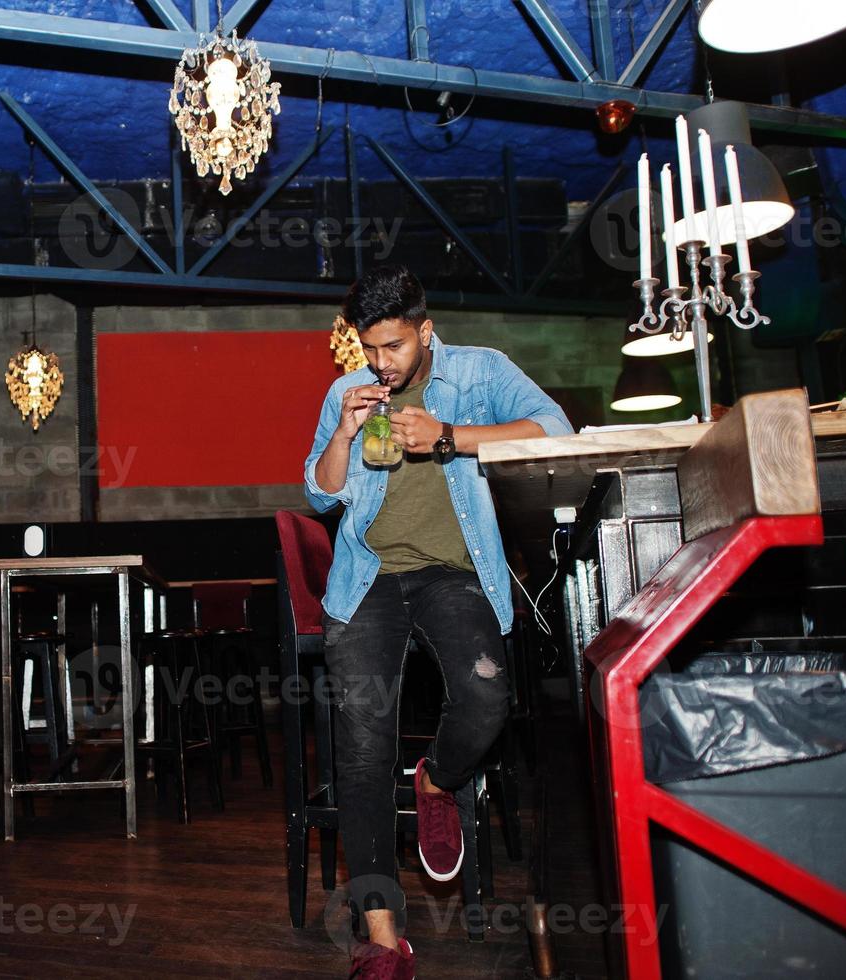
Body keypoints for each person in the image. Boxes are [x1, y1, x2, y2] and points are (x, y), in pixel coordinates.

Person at [303, 265, 572, 978]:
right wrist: (342, 430)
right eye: (368, 348)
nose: (379, 362)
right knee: (360, 747)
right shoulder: (345, 390)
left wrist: (450, 435)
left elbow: (554, 428)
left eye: (392, 345)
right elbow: (320, 490)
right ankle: (382, 941)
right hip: (367, 580)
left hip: (452, 573)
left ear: (424, 331)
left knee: (486, 694)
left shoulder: (480, 371)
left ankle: (435, 780)